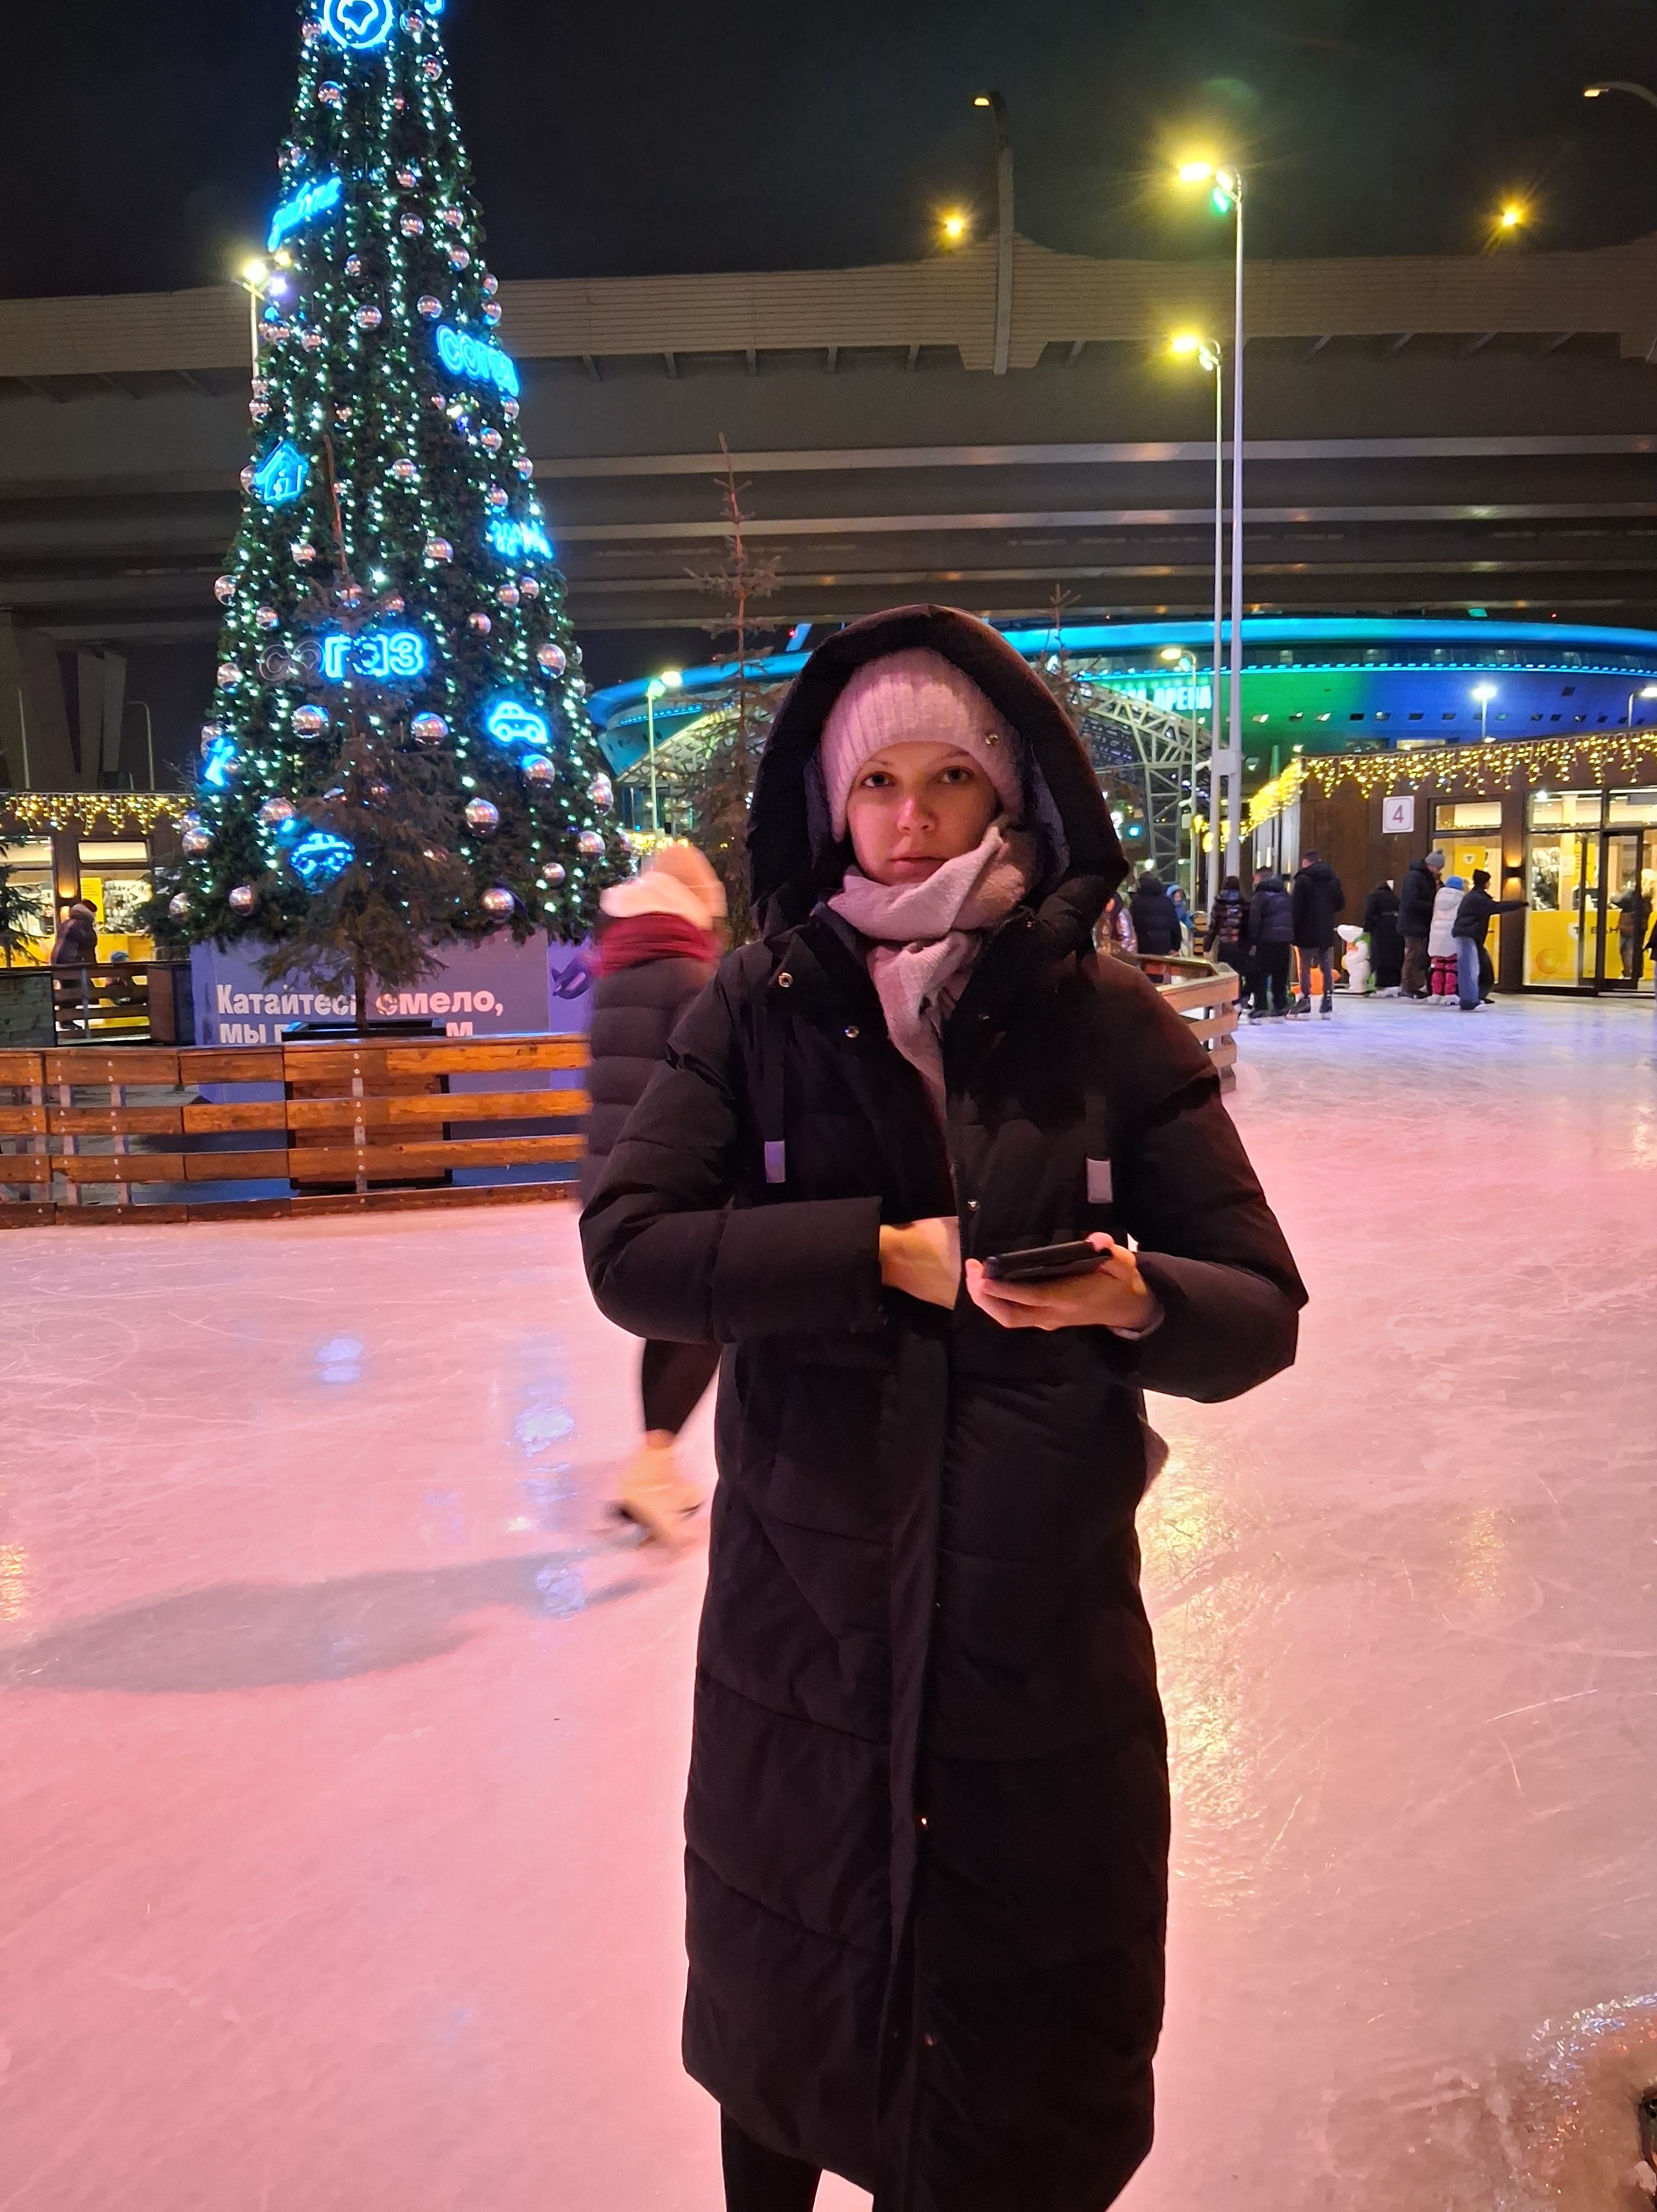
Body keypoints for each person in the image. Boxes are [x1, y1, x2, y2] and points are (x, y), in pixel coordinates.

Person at [581, 610, 1306, 2212]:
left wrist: (1135, 1296)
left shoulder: (1103, 1020)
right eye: (876, 783)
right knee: (793, 2012)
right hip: (807, 1636)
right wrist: (870, 1253)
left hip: (1030, 1641)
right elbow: (629, 1249)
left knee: (1014, 2066)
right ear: (830, 801)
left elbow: (1257, 1310)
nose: (908, 819)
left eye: (948, 779)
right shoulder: (757, 1006)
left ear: (1010, 794)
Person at [580, 843, 725, 1543]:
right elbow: (705, 1084)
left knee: (673, 1319)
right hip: (676, 1171)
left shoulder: (620, 970)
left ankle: (657, 1463)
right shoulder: (692, 976)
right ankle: (653, 1465)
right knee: (704, 1319)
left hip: (616, 1171)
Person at [1451, 868, 1526, 1010]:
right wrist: (1518, 904)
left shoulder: (1476, 896)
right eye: (1488, 881)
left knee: (1473, 968)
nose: (1490, 884)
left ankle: (1472, 998)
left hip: (1469, 935)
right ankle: (1470, 1001)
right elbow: (1496, 907)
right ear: (1484, 882)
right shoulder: (1477, 898)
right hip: (1468, 935)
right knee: (1470, 969)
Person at [1289, 850, 1345, 1015]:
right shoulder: (1332, 879)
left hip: (1306, 928)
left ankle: (1306, 998)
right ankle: (1327, 997)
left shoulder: (1303, 880)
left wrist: (1294, 928)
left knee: (1305, 965)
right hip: (1325, 928)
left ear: (1306, 862)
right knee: (1326, 964)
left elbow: (1297, 907)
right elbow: (1340, 904)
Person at [1244, 865, 1294, 1018]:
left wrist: (1252, 941)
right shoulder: (1285, 894)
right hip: (1284, 940)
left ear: (1260, 878)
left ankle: (1261, 1005)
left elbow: (1255, 920)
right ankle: (1280, 1005)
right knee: (1280, 974)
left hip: (1265, 940)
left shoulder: (1260, 895)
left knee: (1259, 973)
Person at [1398, 850, 1443, 999]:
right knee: (1412, 954)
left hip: (1418, 923)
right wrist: (1432, 907)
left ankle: (1413, 986)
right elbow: (1411, 901)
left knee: (1416, 955)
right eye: (1438, 868)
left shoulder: (1424, 877)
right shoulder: (1416, 877)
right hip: (1413, 923)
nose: (1438, 872)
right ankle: (1407, 986)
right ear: (1432, 865)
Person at [1363, 879, 1404, 994]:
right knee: (1395, 957)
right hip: (1396, 929)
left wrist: (1367, 929)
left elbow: (1369, 914)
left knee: (1381, 957)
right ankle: (1395, 983)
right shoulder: (1395, 898)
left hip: (1381, 929)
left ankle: (1382, 984)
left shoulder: (1374, 896)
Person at [1428, 872, 1465, 999]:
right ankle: (1450, 993)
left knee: (1438, 966)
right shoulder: (1461, 898)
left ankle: (1436, 993)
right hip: (1452, 936)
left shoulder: (1439, 897)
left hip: (1437, 937)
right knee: (1451, 966)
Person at [1128, 869, 1182, 956]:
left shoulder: (1136, 903)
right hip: (1166, 950)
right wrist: (1174, 948)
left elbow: (1132, 927)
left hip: (1143, 951)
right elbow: (1175, 929)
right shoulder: (1167, 902)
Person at [1203, 872, 1248, 971]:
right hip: (1239, 945)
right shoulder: (1244, 904)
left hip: (1224, 945)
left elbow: (1213, 927)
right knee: (1238, 974)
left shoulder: (1220, 904)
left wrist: (1207, 947)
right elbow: (1247, 927)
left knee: (1225, 973)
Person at [1615, 883, 1653, 983]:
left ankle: (1633, 972)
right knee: (1629, 950)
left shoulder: (1641, 902)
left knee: (1631, 950)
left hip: (1637, 929)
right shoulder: (1640, 902)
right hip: (1637, 928)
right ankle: (1632, 972)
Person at [50, 900, 99, 966]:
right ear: (90, 913)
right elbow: (88, 947)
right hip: (74, 964)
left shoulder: (65, 924)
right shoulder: (84, 926)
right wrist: (94, 967)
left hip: (57, 961)